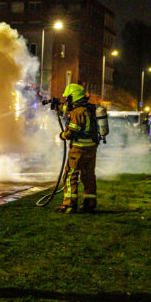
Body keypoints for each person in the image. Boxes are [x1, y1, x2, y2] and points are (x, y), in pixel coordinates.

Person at [56, 83, 98, 214]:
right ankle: (89, 203)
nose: (67, 100)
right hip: (91, 148)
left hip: (78, 150)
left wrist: (62, 135)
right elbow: (71, 110)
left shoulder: (77, 112)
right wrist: (59, 106)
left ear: (74, 97)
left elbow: (72, 132)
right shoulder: (88, 109)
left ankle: (69, 205)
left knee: (70, 175)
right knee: (88, 176)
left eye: (68, 98)